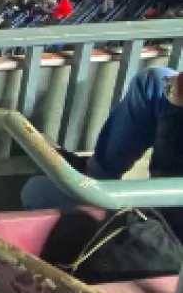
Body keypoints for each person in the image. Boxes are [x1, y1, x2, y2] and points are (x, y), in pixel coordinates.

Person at [22, 66, 183, 232]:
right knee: (153, 82)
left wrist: (175, 111)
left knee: (35, 191)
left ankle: (94, 192)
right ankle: (96, 174)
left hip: (167, 226)